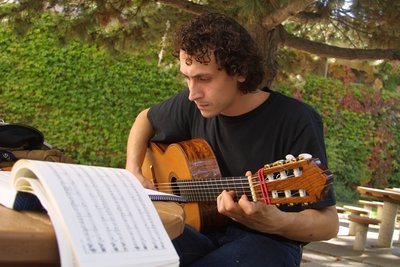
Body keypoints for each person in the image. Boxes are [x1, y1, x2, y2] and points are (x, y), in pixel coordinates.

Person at [126, 12, 339, 267]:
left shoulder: (296, 119)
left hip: (269, 241)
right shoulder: (191, 105)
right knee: (129, 248)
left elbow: (329, 223)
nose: (192, 93)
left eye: (204, 78)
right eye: (187, 77)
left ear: (239, 71)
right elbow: (144, 120)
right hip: (198, 230)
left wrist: (278, 221)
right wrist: (133, 170)